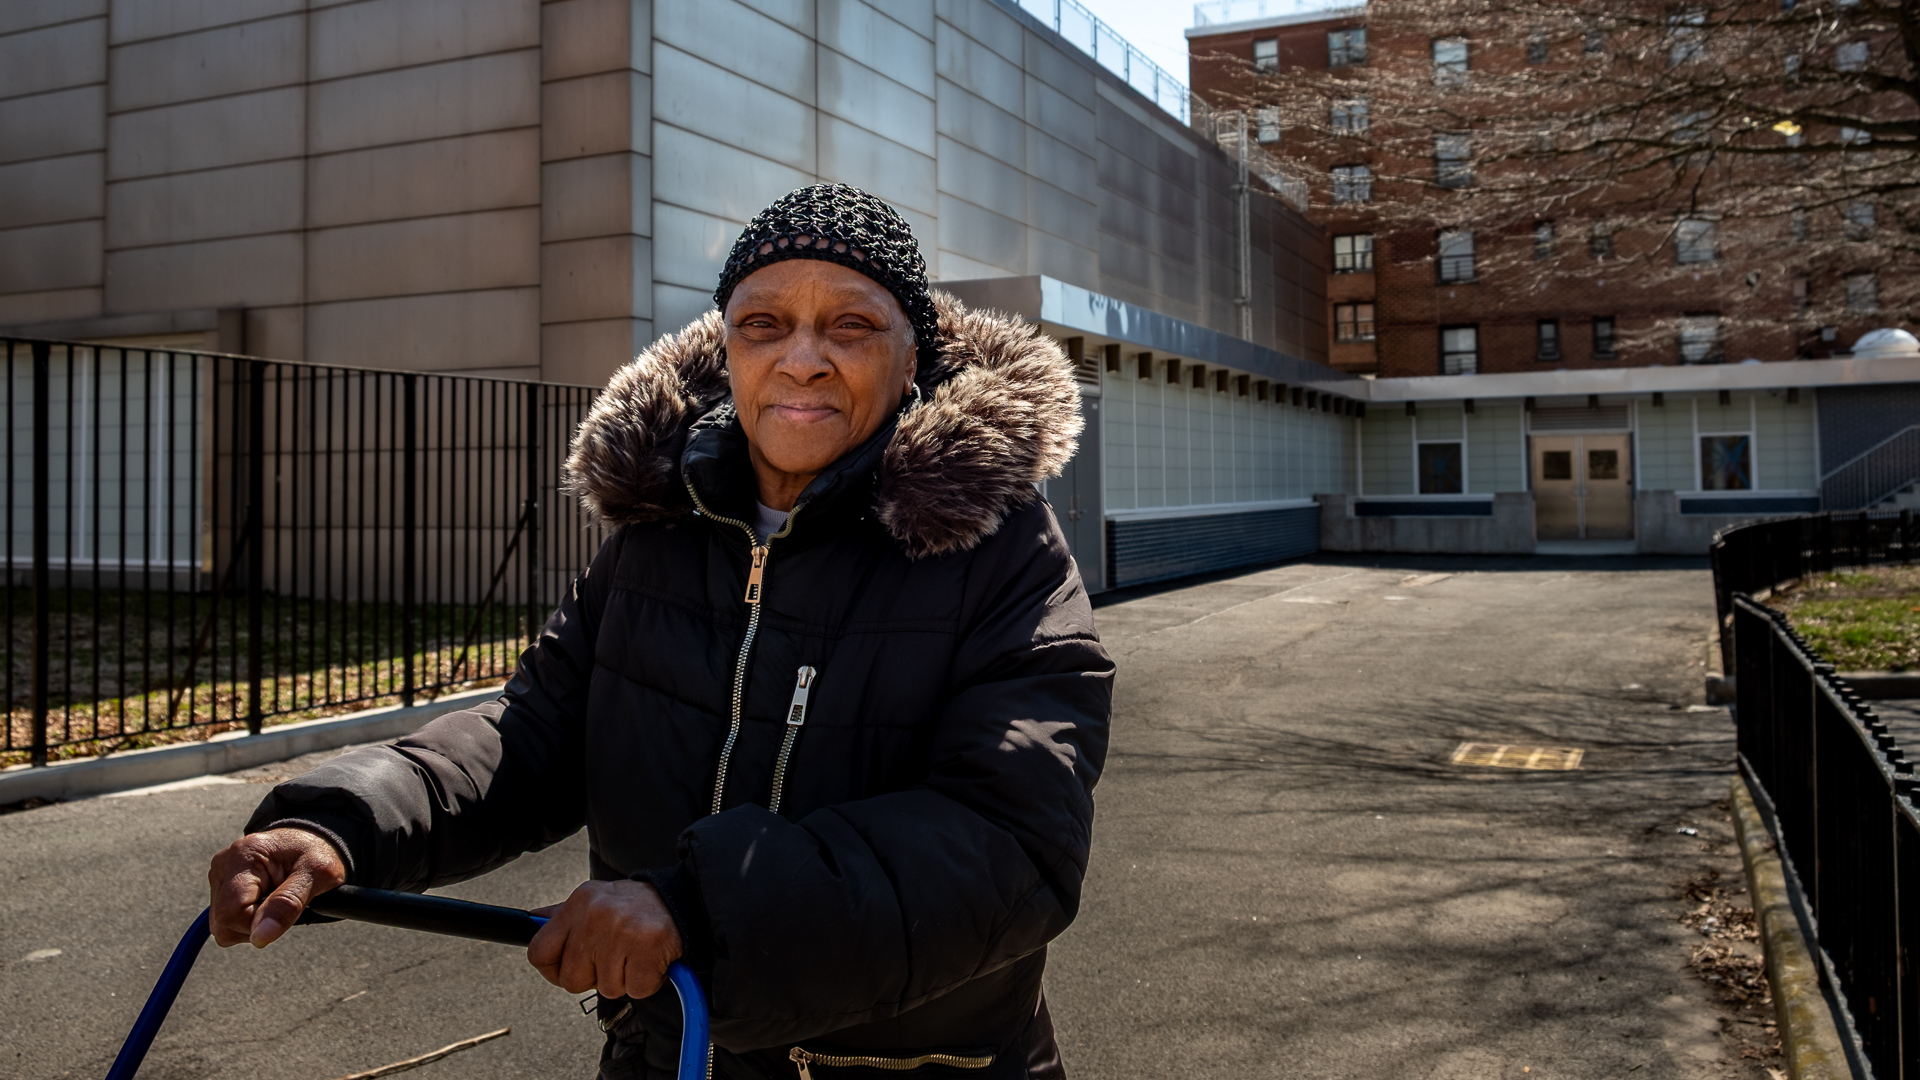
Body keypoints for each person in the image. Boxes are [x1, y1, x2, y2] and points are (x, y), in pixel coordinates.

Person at [206, 183, 1114, 1079]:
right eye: (763, 324)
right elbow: (533, 735)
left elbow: (1012, 839)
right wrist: (343, 822)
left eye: (851, 326)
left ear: (911, 360)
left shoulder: (1003, 550)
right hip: (665, 1051)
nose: (802, 360)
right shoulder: (660, 532)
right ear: (728, 350)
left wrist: (697, 910)